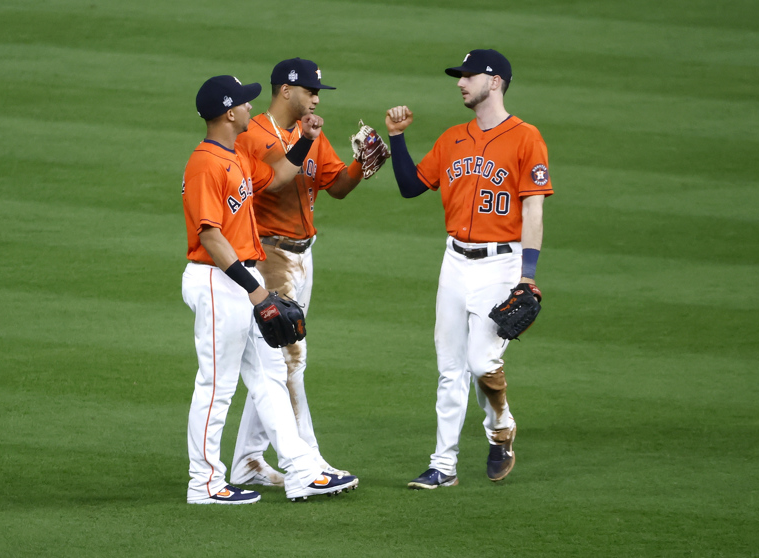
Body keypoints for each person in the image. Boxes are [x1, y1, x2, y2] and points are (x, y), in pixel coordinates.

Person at [181, 74, 358, 504]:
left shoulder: (234, 157)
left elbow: (278, 175)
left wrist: (307, 141)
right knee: (217, 386)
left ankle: (301, 471)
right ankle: (203, 483)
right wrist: (255, 290)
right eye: (243, 102)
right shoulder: (205, 163)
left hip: (241, 278)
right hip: (218, 279)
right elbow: (210, 235)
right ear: (228, 112)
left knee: (270, 375)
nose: (250, 108)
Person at [383, 49, 553, 489]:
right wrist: (397, 138)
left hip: (502, 262)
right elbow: (409, 187)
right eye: (460, 77)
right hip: (454, 261)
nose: (460, 82)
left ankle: (500, 427)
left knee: (481, 361)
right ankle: (443, 464)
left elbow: (533, 210)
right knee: (450, 366)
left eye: (469, 76)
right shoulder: (451, 138)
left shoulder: (526, 137)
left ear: (494, 82)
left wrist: (528, 275)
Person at [229, 58, 367, 486]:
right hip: (269, 255)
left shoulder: (311, 131)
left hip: (305, 256)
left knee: (275, 361)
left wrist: (364, 163)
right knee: (290, 360)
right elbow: (272, 182)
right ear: (286, 90)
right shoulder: (251, 136)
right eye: (310, 91)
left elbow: (338, 186)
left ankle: (249, 460)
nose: (316, 99)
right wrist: (304, 141)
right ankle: (308, 459)